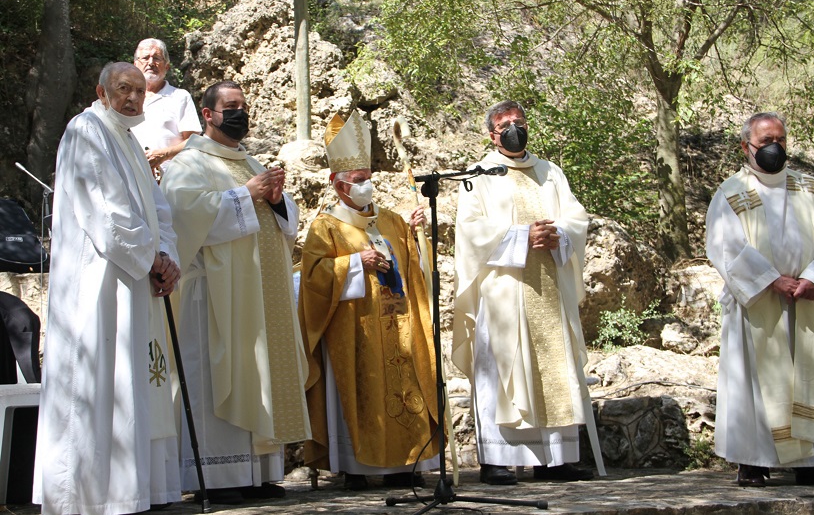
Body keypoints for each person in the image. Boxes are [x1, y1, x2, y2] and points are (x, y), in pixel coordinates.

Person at [32, 62, 182, 515]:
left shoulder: (132, 141)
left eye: (138, 91)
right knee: (101, 379)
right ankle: (90, 495)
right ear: (101, 91)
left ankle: (137, 491)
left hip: (137, 281)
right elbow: (106, 211)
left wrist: (168, 258)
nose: (132, 98)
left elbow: (159, 210)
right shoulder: (86, 131)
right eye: (122, 89)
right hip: (98, 284)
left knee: (133, 382)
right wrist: (151, 257)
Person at [160, 81, 311, 504]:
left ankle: (259, 473)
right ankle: (220, 477)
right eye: (231, 107)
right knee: (217, 378)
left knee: (260, 374)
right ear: (207, 115)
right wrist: (246, 194)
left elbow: (287, 223)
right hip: (214, 296)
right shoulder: (188, 164)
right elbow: (184, 217)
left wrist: (278, 201)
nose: (241, 113)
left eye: (244, 106)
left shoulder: (250, 160)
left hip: (261, 295)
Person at [452, 100, 594, 485]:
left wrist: (559, 234)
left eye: (520, 122)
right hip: (504, 293)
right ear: (492, 134)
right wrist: (520, 235)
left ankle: (556, 458)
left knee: (553, 366)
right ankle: (498, 459)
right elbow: (468, 230)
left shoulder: (551, 172)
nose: (515, 128)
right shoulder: (478, 175)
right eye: (505, 124)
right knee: (501, 371)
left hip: (549, 286)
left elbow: (576, 217)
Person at [299, 110, 440, 490]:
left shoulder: (392, 220)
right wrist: (355, 263)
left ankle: (405, 465)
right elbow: (312, 279)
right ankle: (356, 468)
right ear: (337, 184)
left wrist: (417, 236)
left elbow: (417, 269)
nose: (365, 186)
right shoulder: (325, 226)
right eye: (357, 181)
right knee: (362, 389)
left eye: (368, 179)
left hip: (399, 325)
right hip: (354, 331)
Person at [706, 112, 814, 487]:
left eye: (780, 140)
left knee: (809, 376)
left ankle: (810, 460)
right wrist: (772, 280)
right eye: (765, 141)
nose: (774, 148)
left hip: (808, 301)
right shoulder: (731, 193)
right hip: (757, 305)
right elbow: (724, 247)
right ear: (746, 147)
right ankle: (753, 461)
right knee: (754, 384)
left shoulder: (810, 188)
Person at [131, 38, 202, 170]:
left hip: (172, 179)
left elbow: (195, 142)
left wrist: (164, 155)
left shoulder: (180, 97)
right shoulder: (127, 99)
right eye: (145, 58)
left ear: (167, 66)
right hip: (133, 177)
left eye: (157, 58)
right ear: (136, 65)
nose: (151, 63)